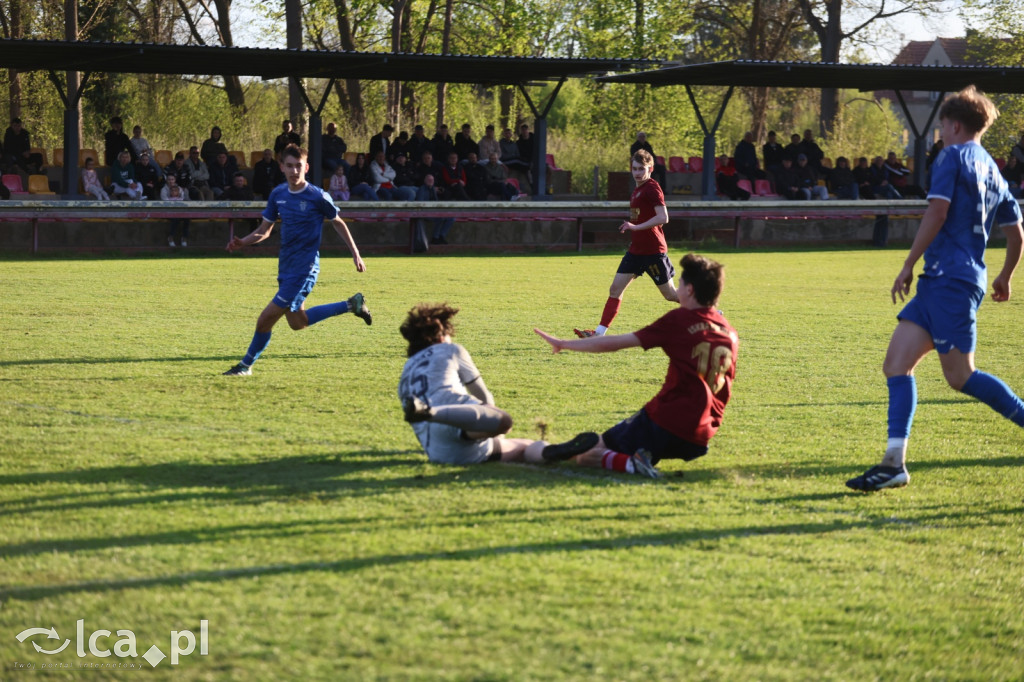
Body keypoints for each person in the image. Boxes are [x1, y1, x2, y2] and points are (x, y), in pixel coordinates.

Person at [846, 86, 1024, 492]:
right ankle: (894, 464)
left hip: (950, 280)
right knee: (896, 364)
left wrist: (908, 262)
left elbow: (937, 211)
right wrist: (1004, 276)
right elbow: (1016, 235)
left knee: (961, 376)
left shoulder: (952, 156)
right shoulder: (995, 170)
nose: (940, 131)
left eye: (942, 124)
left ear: (955, 124)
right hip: (945, 281)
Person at [535, 253, 738, 479]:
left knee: (589, 454)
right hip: (702, 434)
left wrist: (563, 344)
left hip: (666, 422)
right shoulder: (729, 331)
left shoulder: (679, 320)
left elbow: (616, 343)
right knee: (633, 443)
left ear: (689, 290)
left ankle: (633, 463)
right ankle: (643, 456)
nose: (677, 287)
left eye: (680, 282)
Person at [222, 144, 372, 376]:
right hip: (286, 266)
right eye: (289, 166)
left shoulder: (317, 196)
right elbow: (265, 230)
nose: (294, 171)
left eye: (298, 166)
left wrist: (355, 254)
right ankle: (352, 304)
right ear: (281, 167)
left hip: (306, 268)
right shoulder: (278, 195)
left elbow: (338, 222)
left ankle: (245, 366)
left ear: (306, 167)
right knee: (297, 322)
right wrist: (244, 241)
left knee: (265, 319)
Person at [398, 303, 595, 465]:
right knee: (504, 422)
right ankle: (547, 451)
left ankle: (548, 451)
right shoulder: (450, 350)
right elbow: (485, 399)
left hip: (440, 451)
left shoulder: (407, 369)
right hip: (454, 420)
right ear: (442, 335)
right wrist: (496, 431)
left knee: (516, 443)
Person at [574, 149, 676, 338]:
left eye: (641, 169)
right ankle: (598, 333)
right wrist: (634, 228)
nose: (637, 172)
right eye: (634, 168)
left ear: (650, 168)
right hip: (636, 251)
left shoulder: (652, 188)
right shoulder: (637, 190)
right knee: (615, 289)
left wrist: (635, 227)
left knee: (670, 295)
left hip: (653, 251)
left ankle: (710, 313)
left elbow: (663, 217)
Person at [414, 174, 454, 248]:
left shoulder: (433, 189)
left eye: (432, 180)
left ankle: (441, 236)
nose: (430, 181)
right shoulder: (422, 189)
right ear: (425, 181)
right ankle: (435, 238)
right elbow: (420, 203)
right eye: (429, 180)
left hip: (434, 211)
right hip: (424, 213)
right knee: (440, 218)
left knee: (451, 218)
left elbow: (436, 202)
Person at [160, 173, 190, 247]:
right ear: (166, 180)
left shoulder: (179, 188)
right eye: (169, 179)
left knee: (187, 218)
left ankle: (184, 238)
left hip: (179, 211)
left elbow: (182, 200)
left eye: (172, 179)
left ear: (175, 180)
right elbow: (166, 203)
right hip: (168, 211)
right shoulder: (163, 190)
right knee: (175, 218)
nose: (171, 181)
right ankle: (171, 237)